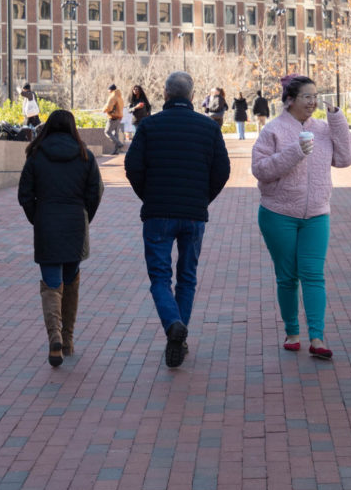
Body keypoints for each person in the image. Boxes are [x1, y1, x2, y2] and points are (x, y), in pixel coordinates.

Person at [124, 70, 231, 368]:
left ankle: (173, 325)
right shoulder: (208, 128)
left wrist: (149, 196)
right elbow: (222, 171)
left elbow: (132, 166)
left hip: (158, 214)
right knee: (187, 277)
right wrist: (201, 199)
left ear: (166, 95)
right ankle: (179, 335)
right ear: (193, 96)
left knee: (159, 277)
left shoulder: (150, 126)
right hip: (193, 215)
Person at [250, 74, 351, 359]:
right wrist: (295, 152)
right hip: (278, 214)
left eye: (315, 96)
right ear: (290, 100)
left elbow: (346, 158)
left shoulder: (324, 129)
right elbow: (261, 169)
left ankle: (318, 338)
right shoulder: (272, 130)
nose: (313, 102)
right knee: (288, 277)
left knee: (313, 275)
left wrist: (337, 120)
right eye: (306, 97)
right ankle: (292, 331)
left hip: (317, 214)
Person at [18, 109, 105, 367]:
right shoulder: (84, 155)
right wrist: (84, 216)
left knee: (51, 283)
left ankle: (54, 336)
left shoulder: (35, 155)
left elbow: (25, 195)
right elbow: (96, 192)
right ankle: (67, 340)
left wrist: (39, 217)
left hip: (47, 222)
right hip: (75, 223)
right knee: (71, 280)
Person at [104, 84, 127, 153]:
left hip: (113, 116)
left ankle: (119, 144)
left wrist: (104, 110)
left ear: (110, 90)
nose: (107, 91)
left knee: (107, 132)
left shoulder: (112, 97)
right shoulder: (120, 97)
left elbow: (109, 107)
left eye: (108, 89)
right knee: (116, 134)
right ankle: (116, 151)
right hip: (119, 117)